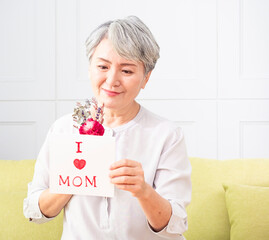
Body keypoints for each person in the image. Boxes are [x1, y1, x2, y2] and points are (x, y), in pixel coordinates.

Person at [23, 16, 192, 240]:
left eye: (127, 71)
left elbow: (176, 224)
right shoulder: (65, 129)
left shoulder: (166, 134)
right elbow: (34, 211)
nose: (111, 80)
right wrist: (73, 178)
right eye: (102, 66)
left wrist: (143, 191)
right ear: (91, 68)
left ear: (146, 78)